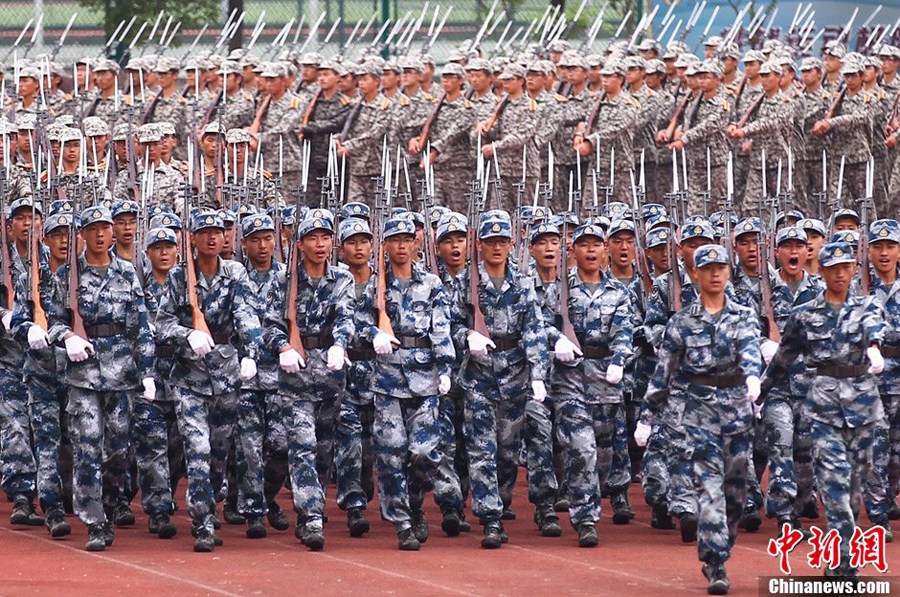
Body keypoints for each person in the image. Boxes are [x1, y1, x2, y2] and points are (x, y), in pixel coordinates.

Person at [640, 243, 762, 595]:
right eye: (707, 269)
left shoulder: (743, 316)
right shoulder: (681, 322)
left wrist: (753, 378)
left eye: (720, 268)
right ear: (695, 274)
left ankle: (723, 542)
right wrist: (647, 417)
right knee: (709, 490)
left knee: (735, 494)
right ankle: (715, 562)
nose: (714, 275)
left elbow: (750, 349)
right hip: (700, 415)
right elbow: (663, 374)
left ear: (728, 272)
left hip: (737, 413)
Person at [761, 241, 888, 578]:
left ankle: (844, 549)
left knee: (853, 486)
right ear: (822, 271)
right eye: (833, 268)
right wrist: (760, 391)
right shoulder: (805, 314)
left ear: (854, 270)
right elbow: (784, 357)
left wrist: (874, 348)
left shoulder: (868, 307)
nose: (840, 274)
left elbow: (874, 329)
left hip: (862, 408)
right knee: (833, 482)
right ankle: (843, 560)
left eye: (846, 267)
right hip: (824, 408)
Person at [45, 205, 155, 551]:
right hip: (83, 375)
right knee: (87, 446)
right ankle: (94, 521)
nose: (100, 234)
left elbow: (140, 325)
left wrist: (147, 371)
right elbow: (52, 320)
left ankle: (108, 504)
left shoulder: (126, 271)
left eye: (105, 228)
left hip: (122, 373)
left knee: (118, 450)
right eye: (92, 229)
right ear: (83, 234)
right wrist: (67, 336)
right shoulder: (67, 276)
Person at [155, 210, 262, 552]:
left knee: (218, 454)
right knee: (197, 451)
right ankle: (202, 523)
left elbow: (247, 315)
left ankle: (211, 506)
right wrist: (187, 334)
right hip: (190, 378)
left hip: (226, 375)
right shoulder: (178, 277)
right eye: (205, 232)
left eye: (218, 232)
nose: (213, 237)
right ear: (193, 239)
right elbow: (161, 323)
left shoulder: (236, 273)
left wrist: (250, 353)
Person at [449, 215, 549, 548]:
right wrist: (467, 337)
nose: (496, 247)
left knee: (507, 453)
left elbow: (534, 330)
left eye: (502, 242)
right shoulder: (466, 282)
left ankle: (501, 502)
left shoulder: (523, 283)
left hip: (514, 378)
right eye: (490, 242)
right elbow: (450, 324)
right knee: (482, 451)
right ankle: (490, 517)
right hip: (478, 378)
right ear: (479, 245)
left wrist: (538, 375)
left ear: (511, 244)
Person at [358, 216, 454, 550]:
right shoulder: (374, 284)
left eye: (407, 239)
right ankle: (402, 522)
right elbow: (356, 320)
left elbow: (441, 327)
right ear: (384, 244)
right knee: (391, 452)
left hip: (425, 377)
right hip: (387, 379)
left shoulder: (432, 283)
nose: (401, 246)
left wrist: (445, 368)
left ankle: (414, 503)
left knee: (425, 454)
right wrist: (374, 333)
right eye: (394, 240)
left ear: (416, 243)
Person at [262, 212, 355, 551]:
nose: (320, 244)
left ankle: (312, 506)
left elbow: (346, 316)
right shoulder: (283, 281)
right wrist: (282, 346)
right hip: (295, 377)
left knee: (324, 450)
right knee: (302, 445)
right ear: (299, 244)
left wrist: (340, 344)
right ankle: (311, 515)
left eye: (325, 237)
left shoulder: (342, 278)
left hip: (330, 375)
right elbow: (268, 325)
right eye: (313, 238)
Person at [544, 222, 634, 547]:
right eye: (584, 244)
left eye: (596, 244)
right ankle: (585, 518)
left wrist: (619, 360)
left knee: (604, 456)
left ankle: (596, 496)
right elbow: (541, 323)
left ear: (605, 249)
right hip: (570, 378)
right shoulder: (559, 291)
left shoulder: (618, 293)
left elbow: (624, 331)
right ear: (573, 251)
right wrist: (556, 339)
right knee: (581, 449)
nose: (591, 250)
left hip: (606, 379)